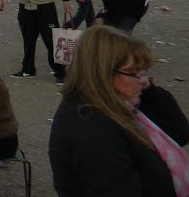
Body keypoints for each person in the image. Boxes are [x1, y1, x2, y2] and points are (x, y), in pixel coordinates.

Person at [49, 25, 189, 196]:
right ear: (103, 73)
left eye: (143, 71)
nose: (143, 80)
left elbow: (180, 133)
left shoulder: (118, 103)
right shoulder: (90, 127)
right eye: (133, 72)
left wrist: (150, 91)